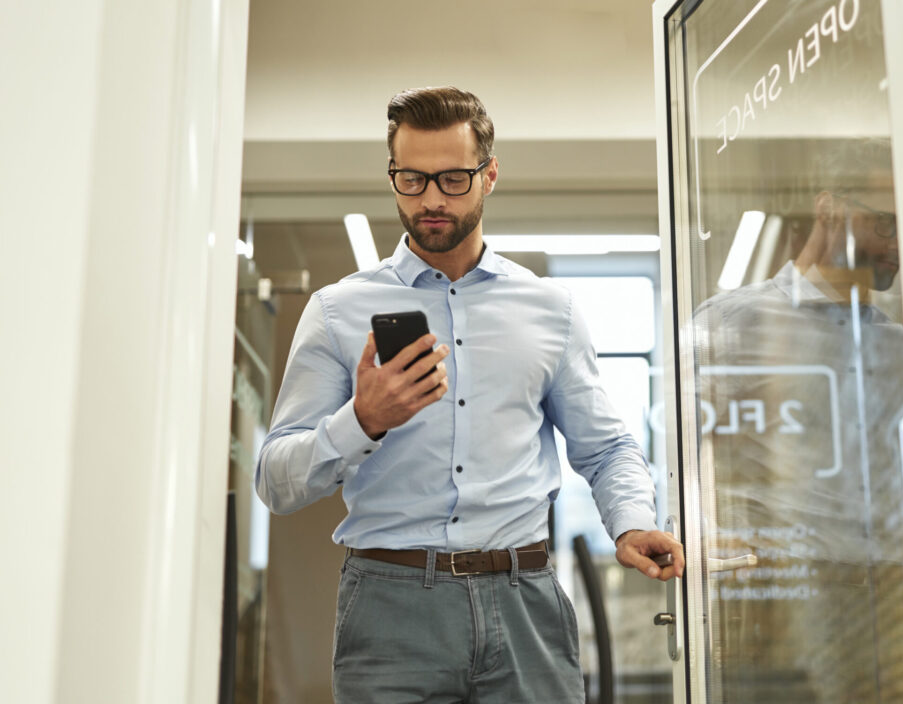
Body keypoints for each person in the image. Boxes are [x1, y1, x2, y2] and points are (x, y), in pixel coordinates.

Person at [255, 86, 683, 704]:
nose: (430, 198)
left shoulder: (549, 310)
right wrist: (362, 419)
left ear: (489, 176)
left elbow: (607, 446)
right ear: (393, 176)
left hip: (523, 600)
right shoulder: (337, 312)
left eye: (453, 179)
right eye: (412, 179)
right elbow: (276, 480)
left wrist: (631, 522)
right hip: (390, 607)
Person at [690, 148, 903, 702]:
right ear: (829, 208)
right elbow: (680, 465)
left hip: (889, 597)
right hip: (783, 598)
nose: (897, 246)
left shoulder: (902, 347)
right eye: (885, 223)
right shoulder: (732, 325)